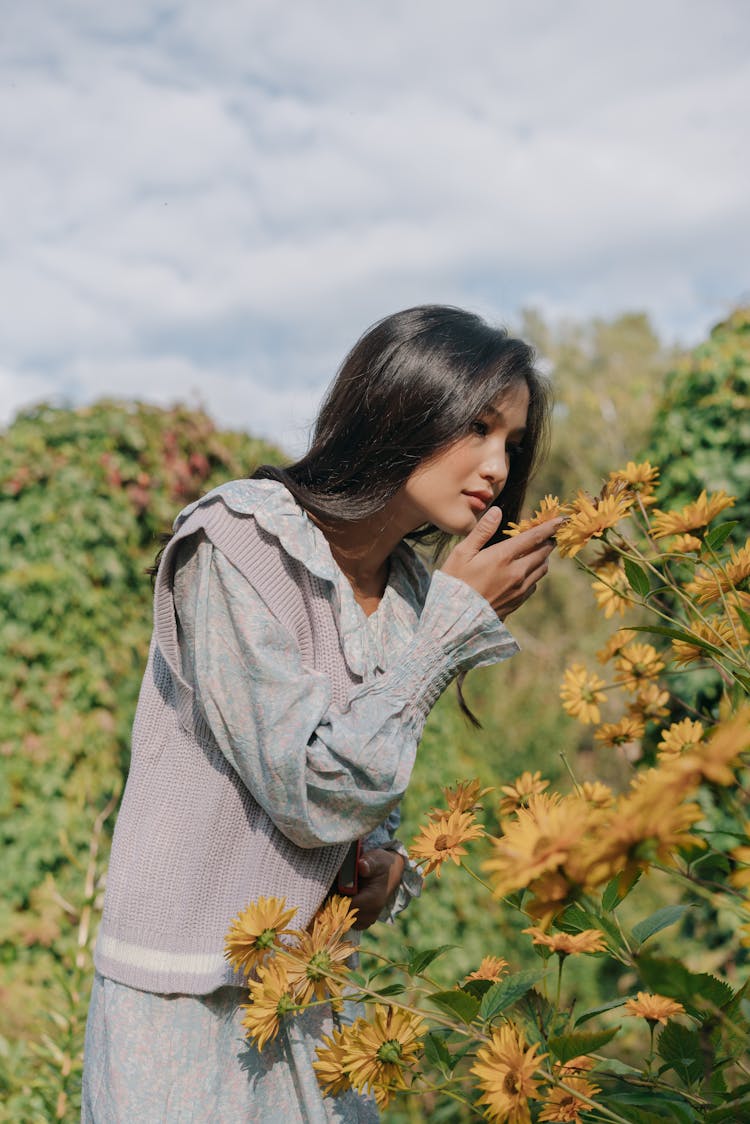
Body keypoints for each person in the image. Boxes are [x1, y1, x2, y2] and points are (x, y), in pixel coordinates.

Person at [81, 305, 560, 1122]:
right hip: (184, 1003)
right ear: (404, 404)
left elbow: (361, 798)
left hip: (313, 998)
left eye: (511, 443)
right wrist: (447, 639)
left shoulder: (412, 594)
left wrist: (383, 873)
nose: (495, 465)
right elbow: (312, 793)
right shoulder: (238, 546)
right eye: (478, 427)